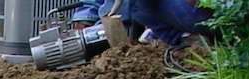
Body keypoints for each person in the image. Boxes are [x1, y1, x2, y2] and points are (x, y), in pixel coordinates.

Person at [69, 0, 213, 46]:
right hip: (115, 23)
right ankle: (183, 39)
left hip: (204, 11)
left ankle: (178, 37)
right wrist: (84, 17)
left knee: (137, 4)